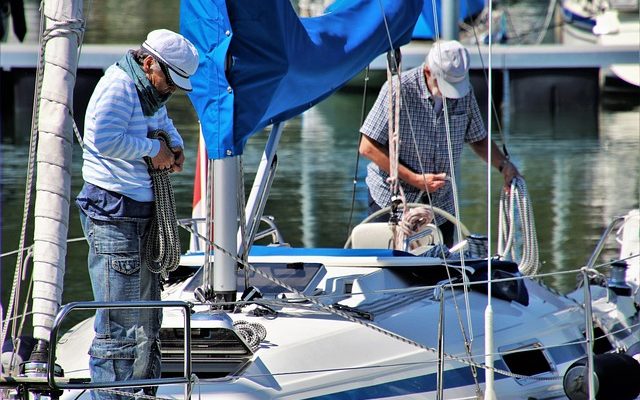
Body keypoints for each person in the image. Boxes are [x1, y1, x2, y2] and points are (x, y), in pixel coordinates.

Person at [75, 29, 198, 399]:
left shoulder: (148, 92)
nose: (171, 90)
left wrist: (173, 145)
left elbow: (163, 121)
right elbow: (103, 139)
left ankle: (141, 394)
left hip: (136, 214)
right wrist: (152, 151)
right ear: (149, 64)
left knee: (146, 322)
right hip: (115, 214)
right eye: (170, 81)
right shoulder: (119, 86)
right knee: (122, 328)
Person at [359, 40, 519, 247]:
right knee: (397, 266)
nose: (449, 93)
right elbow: (367, 147)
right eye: (445, 85)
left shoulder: (465, 93)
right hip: (393, 200)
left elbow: (478, 139)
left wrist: (504, 166)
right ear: (427, 72)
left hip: (440, 205)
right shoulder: (397, 90)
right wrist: (415, 179)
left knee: (441, 269)